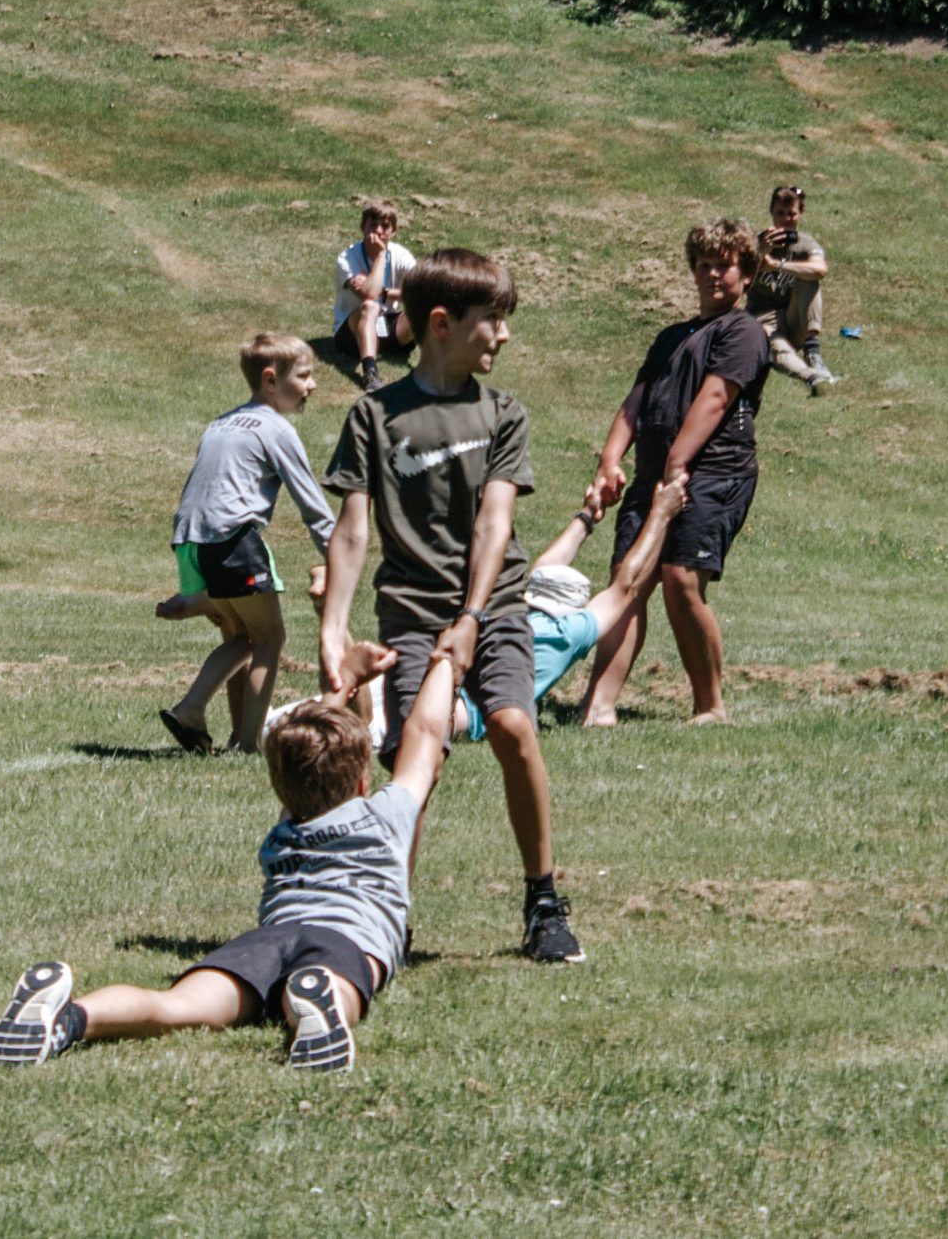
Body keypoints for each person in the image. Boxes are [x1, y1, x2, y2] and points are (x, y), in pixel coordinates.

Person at [0, 638, 453, 1074]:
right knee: (338, 983)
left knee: (177, 1006)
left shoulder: (287, 828)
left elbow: (306, 754)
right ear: (363, 783)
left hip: (268, 939)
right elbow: (426, 734)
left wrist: (345, 681)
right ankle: (320, 998)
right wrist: (447, 662)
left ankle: (70, 1018)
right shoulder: (384, 818)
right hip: (347, 938)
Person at [317, 247, 585, 964]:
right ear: (442, 324)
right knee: (419, 753)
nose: (505, 334)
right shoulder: (375, 415)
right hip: (410, 612)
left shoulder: (502, 413)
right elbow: (352, 530)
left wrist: (471, 617)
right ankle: (389, 915)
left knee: (512, 725)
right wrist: (333, 629)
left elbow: (495, 523)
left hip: (494, 605)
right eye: (492, 320)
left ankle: (544, 901)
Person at [581, 219, 769, 728]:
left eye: (724, 265)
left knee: (681, 579)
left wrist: (678, 463)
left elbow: (716, 398)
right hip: (653, 476)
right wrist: (609, 459)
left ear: (746, 274)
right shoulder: (671, 337)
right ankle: (598, 706)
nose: (713, 274)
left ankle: (710, 706)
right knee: (627, 581)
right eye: (704, 265)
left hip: (714, 474)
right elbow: (636, 401)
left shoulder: (743, 331)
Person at [155, 334, 335, 755]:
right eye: (304, 376)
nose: (312, 385)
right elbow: (312, 504)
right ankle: (239, 739)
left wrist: (194, 590)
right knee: (269, 639)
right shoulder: (277, 429)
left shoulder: (221, 422)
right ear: (270, 380)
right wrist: (338, 557)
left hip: (192, 540)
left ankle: (226, 728)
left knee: (238, 637)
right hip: (232, 538)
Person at [434, 477, 690, 740]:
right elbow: (626, 586)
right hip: (463, 716)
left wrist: (587, 515)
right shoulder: (563, 634)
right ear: (574, 609)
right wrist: (660, 515)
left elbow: (545, 568)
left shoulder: (513, 610)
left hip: (438, 686)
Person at [752, 183, 834, 394]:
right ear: (771, 211)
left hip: (793, 320)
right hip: (763, 321)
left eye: (791, 214)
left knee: (809, 279)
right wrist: (762, 249)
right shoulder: (757, 242)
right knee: (772, 342)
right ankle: (813, 379)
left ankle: (812, 352)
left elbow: (820, 270)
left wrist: (777, 265)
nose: (785, 219)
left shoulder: (805, 244)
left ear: (801, 213)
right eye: (780, 213)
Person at [332, 201, 418, 393]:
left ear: (394, 231)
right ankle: (370, 373)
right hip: (351, 334)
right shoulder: (347, 258)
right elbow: (369, 295)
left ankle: (433, 367)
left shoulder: (401, 255)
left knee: (423, 307)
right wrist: (380, 255)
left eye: (385, 226)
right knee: (370, 306)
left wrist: (385, 292)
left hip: (387, 327)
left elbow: (421, 290)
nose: (378, 231)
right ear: (363, 226)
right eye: (373, 225)